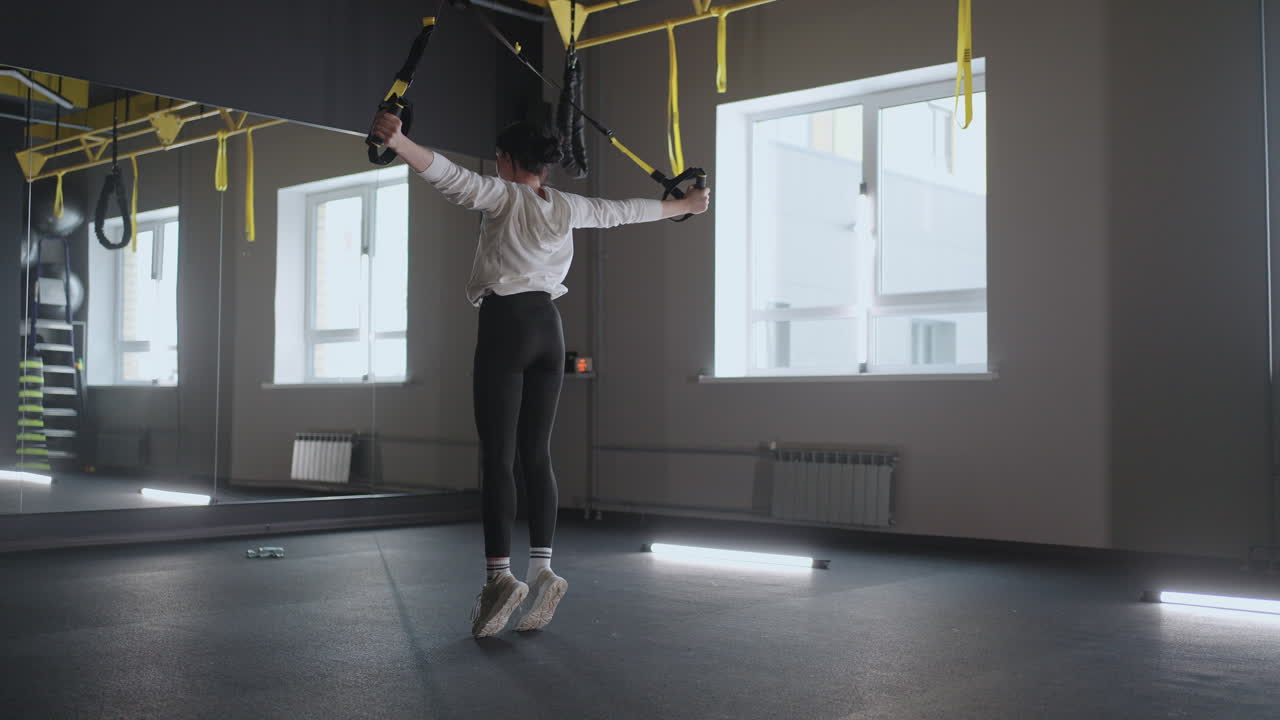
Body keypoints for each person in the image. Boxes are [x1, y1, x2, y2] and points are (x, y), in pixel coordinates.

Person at [369, 112, 711, 638]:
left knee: (498, 457)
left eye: (499, 159)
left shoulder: (503, 196)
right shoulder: (570, 206)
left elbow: (446, 174)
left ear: (506, 160)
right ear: (545, 167)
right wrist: (683, 206)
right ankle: (542, 567)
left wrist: (399, 141)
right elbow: (625, 211)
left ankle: (498, 578)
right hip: (549, 329)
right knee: (536, 454)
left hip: (506, 323)